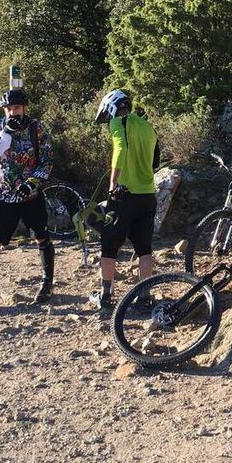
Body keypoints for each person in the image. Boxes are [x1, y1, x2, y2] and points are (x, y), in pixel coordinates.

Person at [0, 88, 55, 315]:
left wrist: (33, 182)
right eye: (8, 109)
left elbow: (46, 161)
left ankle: (46, 284)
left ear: (24, 107)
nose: (12, 113)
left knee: (41, 238)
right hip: (4, 193)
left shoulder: (37, 128)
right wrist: (5, 133)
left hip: (31, 195)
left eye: (15, 108)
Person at [89, 89, 160, 316]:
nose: (108, 120)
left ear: (112, 108)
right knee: (144, 248)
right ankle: (144, 297)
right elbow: (155, 160)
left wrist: (113, 184)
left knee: (109, 246)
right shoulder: (148, 126)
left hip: (124, 194)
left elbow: (120, 149)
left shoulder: (119, 122)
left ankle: (106, 296)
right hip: (148, 194)